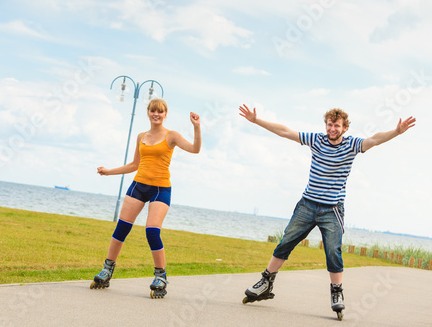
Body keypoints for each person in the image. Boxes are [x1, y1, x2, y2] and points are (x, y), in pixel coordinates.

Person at [239, 104, 415, 317]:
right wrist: (256, 120)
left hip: (332, 209)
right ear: (326, 125)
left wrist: (396, 132)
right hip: (307, 204)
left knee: (333, 251)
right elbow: (286, 132)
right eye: (330, 124)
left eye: (337, 125)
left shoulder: (352, 145)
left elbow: (374, 139)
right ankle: (266, 282)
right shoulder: (316, 140)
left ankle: (337, 292)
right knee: (286, 241)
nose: (332, 129)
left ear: (345, 128)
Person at [92, 98, 201, 298]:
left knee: (152, 231)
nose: (156, 114)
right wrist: (109, 171)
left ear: (165, 114)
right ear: (148, 113)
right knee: (121, 228)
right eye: (153, 111)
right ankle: (107, 270)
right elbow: (134, 164)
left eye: (160, 111)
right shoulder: (141, 136)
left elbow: (195, 149)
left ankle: (161, 275)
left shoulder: (172, 136)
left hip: (161, 189)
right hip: (139, 186)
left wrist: (196, 127)